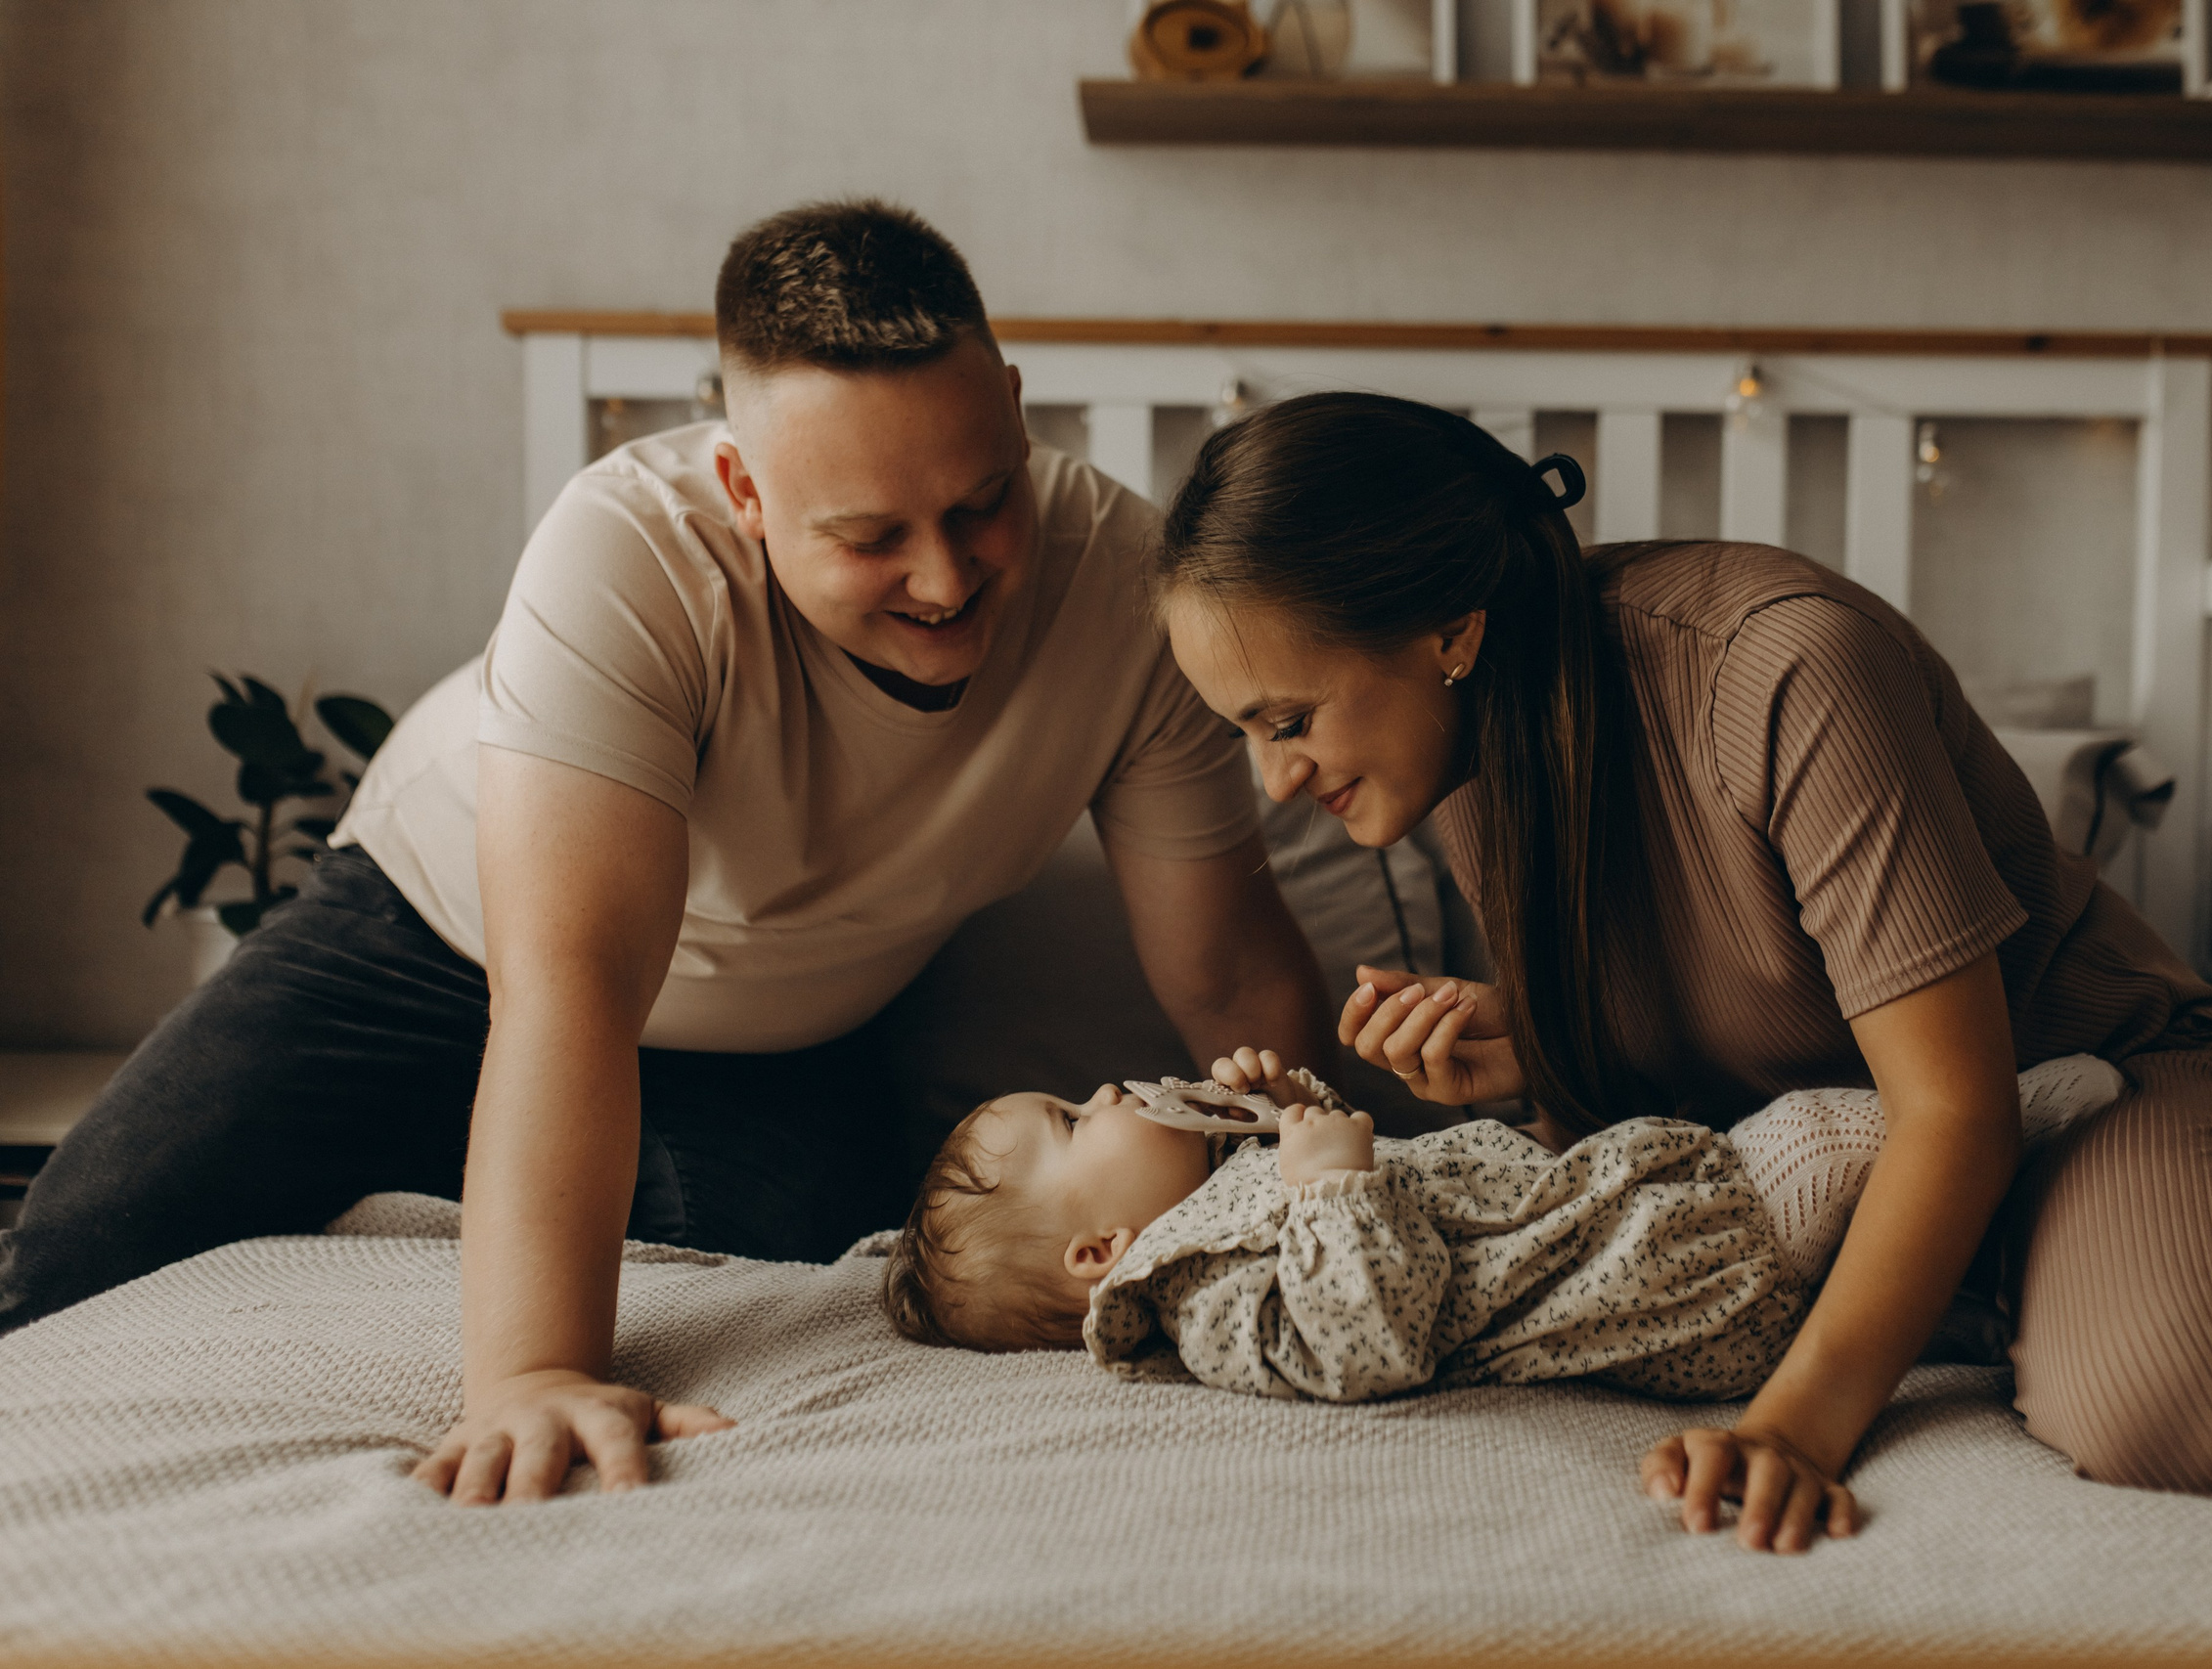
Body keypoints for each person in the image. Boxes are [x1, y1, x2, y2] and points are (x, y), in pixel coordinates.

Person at [0, 201, 1333, 1506]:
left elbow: (1223, 969)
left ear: (1015, 410)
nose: (945, 577)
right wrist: (531, 1369)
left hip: (777, 1039)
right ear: (746, 488)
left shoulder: (1125, 583)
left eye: (983, 503)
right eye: (869, 536)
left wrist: (1346, 1182)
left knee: (821, 1273)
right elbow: (570, 984)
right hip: (442, 942)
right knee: (77, 1249)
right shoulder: (632, 553)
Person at [1145, 390, 2212, 1555]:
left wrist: (1792, 1423)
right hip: (1851, 1166)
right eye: (1244, 734)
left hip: (2084, 1086)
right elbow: (1689, 1097)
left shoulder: (1784, 665)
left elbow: (1958, 1106)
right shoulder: (1461, 759)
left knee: (2186, 1405)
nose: (1275, 781)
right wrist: (1540, 1051)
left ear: (1451, 629)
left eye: (1289, 720)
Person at [880, 1050, 2124, 1407]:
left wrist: (1300, 1112)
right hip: (1674, 1258)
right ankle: (2019, 1115)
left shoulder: (1228, 1190)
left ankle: (2018, 1276)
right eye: (1070, 1114)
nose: (1105, 1089)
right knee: (1824, 1137)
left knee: (1954, 1292)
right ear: (1101, 1254)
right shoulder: (1198, 1294)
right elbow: (1365, 1343)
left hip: (1648, 1234)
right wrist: (1323, 1180)